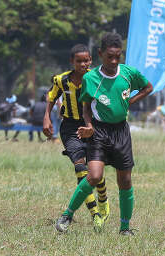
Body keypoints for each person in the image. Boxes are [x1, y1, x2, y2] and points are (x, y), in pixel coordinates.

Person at [54, 33, 153, 235]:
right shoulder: (91, 79)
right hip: (99, 132)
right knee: (94, 176)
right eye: (110, 56)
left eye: (118, 56)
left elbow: (148, 87)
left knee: (125, 181)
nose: (114, 61)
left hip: (121, 132)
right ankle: (67, 215)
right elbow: (86, 108)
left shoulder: (128, 73)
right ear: (100, 54)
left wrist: (130, 102)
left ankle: (124, 228)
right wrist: (89, 125)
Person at [45, 44, 110, 230]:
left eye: (87, 60)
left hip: (93, 126)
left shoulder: (97, 78)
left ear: (91, 60)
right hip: (70, 127)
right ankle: (95, 213)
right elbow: (50, 98)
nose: (83, 64)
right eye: (79, 61)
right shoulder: (61, 80)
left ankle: (104, 199)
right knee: (81, 168)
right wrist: (46, 118)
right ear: (72, 62)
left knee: (95, 172)